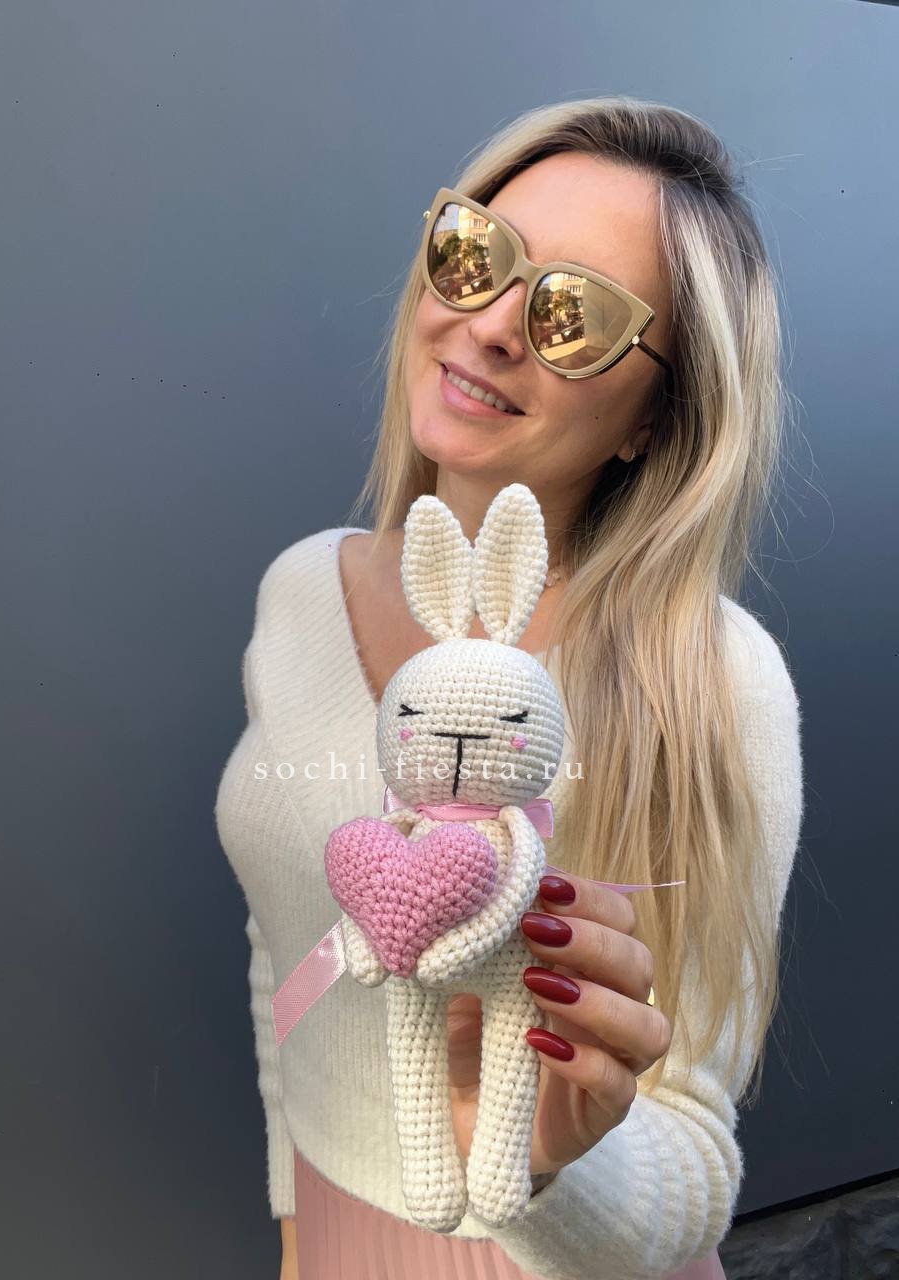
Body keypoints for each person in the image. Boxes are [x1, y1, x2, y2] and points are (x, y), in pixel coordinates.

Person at [215, 94, 805, 1280]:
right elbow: (284, 946)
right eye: (474, 253)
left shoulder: (709, 676)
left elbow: (694, 1157)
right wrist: (293, 1210)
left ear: (655, 415)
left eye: (574, 315)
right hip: (333, 1235)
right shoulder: (299, 591)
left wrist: (540, 1162)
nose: (486, 324)